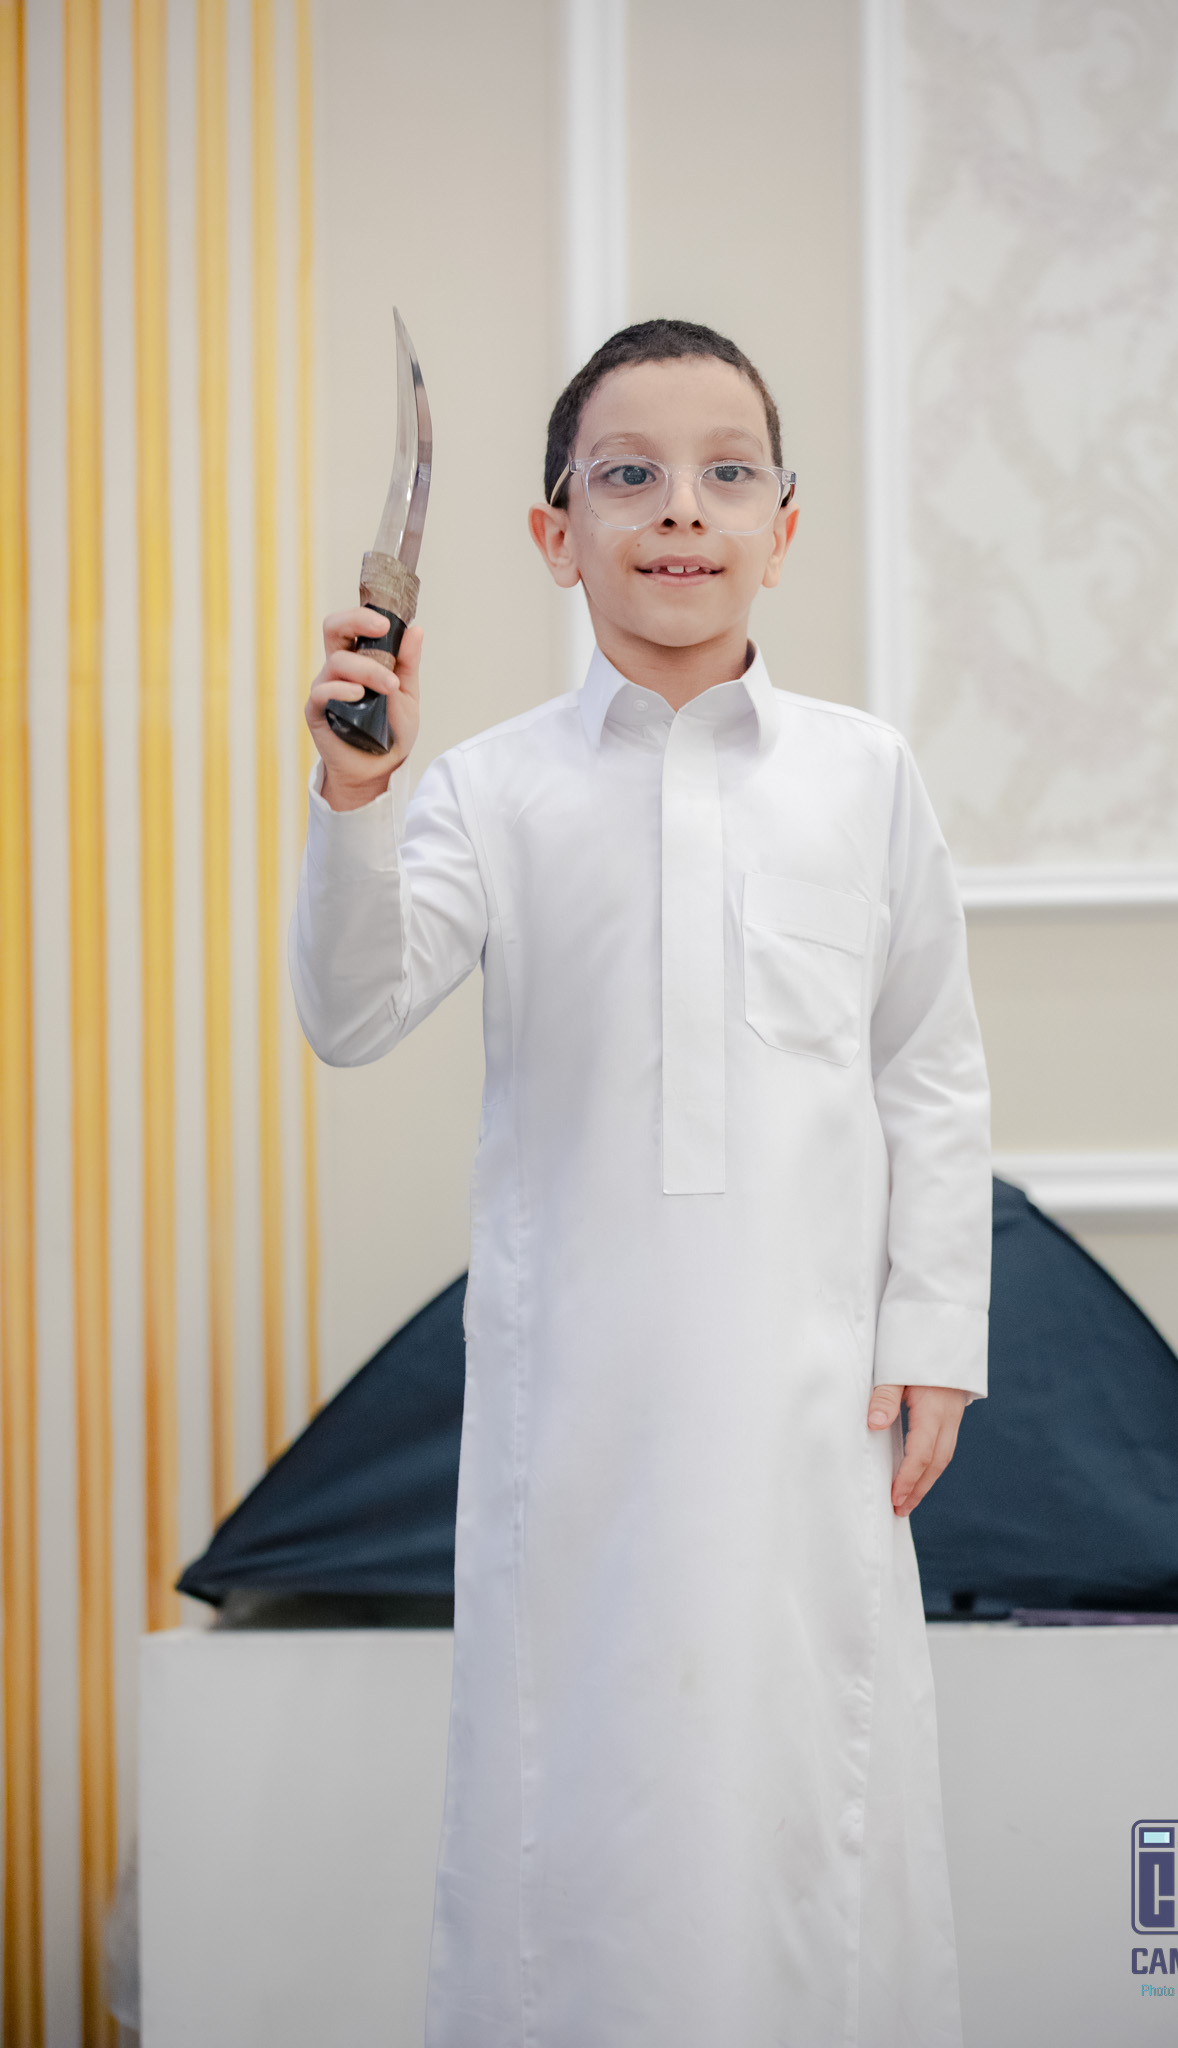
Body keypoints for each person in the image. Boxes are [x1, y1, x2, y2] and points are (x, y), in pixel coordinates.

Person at [289, 319, 993, 2048]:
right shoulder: (491, 790)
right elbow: (351, 1011)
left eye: (724, 473)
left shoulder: (863, 775)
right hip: (577, 1422)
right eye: (628, 475)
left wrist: (934, 1332)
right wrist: (357, 795)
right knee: (575, 1825)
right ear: (554, 535)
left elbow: (927, 1065)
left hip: (815, 1403)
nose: (680, 510)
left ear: (782, 527)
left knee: (814, 1810)